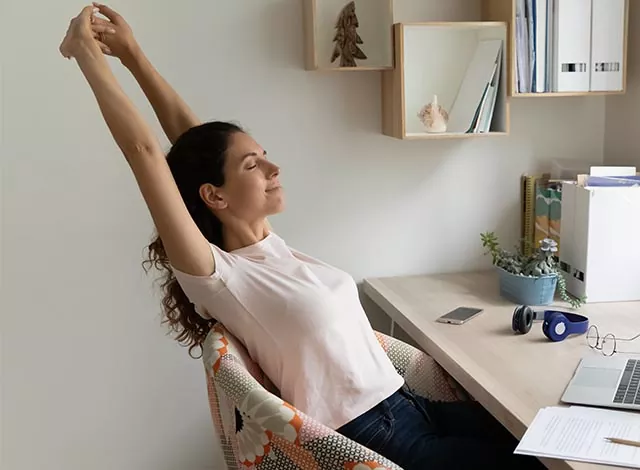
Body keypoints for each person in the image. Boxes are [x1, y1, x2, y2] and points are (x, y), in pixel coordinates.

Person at [59, 4, 545, 469]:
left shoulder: (267, 244)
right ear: (215, 197)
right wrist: (88, 54)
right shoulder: (221, 275)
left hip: (407, 403)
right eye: (253, 165)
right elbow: (146, 152)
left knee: (542, 437)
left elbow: (198, 145)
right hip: (373, 435)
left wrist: (135, 56)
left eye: (263, 155)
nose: (273, 168)